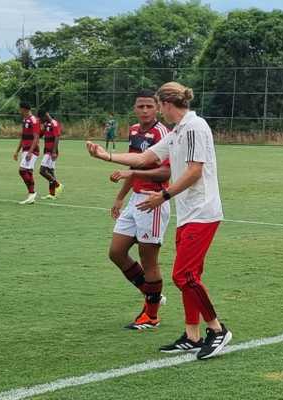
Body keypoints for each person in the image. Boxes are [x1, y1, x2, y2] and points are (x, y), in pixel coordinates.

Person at [86, 82, 232, 360]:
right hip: (189, 213)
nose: (155, 111)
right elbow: (144, 158)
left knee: (183, 276)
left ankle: (217, 329)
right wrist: (106, 156)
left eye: (156, 105)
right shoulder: (178, 131)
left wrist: (163, 196)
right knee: (190, 276)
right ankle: (192, 335)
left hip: (203, 212)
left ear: (165, 104)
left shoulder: (194, 127)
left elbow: (194, 172)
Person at [108, 90, 171, 330]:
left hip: (153, 201)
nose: (144, 110)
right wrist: (120, 197)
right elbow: (133, 165)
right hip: (135, 199)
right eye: (140, 106)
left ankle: (151, 316)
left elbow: (166, 173)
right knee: (116, 252)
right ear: (135, 108)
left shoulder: (162, 133)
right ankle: (152, 294)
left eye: (149, 106)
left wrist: (133, 173)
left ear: (157, 108)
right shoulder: (134, 130)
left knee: (149, 260)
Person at [13, 102, 41, 204]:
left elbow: (36, 137)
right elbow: (23, 137)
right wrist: (17, 151)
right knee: (28, 171)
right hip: (25, 149)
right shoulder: (25, 120)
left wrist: (30, 152)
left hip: (32, 150)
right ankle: (31, 196)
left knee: (22, 170)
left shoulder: (34, 120)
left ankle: (32, 193)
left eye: (20, 109)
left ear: (24, 109)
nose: (19, 111)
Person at [38, 110, 63, 200]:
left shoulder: (54, 123)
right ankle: (52, 194)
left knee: (42, 171)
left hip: (51, 152)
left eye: (41, 118)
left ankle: (58, 184)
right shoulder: (47, 124)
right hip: (47, 151)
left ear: (46, 115)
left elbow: (57, 137)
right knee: (50, 171)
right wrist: (42, 128)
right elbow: (40, 135)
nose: (41, 120)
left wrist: (54, 152)